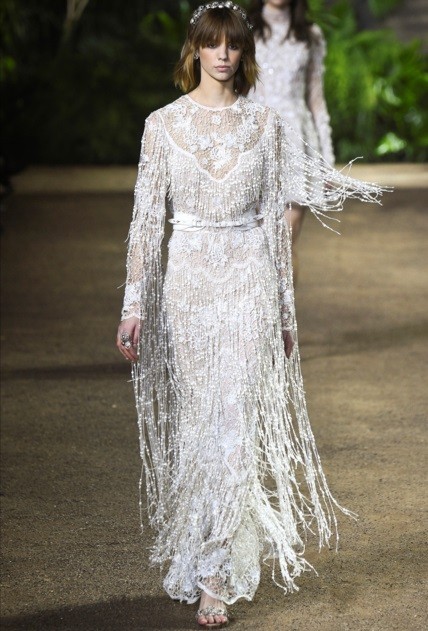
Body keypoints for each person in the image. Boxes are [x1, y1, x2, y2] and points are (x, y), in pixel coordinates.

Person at [116, 2, 384, 628]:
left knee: (235, 426)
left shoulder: (267, 124)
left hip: (248, 285)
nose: (223, 55)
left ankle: (214, 573)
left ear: (245, 52)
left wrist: (285, 314)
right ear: (195, 50)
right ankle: (199, 544)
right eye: (212, 44)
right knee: (200, 424)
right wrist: (133, 306)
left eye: (233, 45)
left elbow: (273, 228)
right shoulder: (162, 125)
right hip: (187, 286)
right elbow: (146, 221)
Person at [249, 0, 334, 284]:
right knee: (254, 245)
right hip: (254, 141)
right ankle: (259, 311)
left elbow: (316, 100)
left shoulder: (310, 34)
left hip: (298, 143)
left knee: (284, 243)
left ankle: (284, 314)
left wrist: (327, 161)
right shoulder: (244, 30)